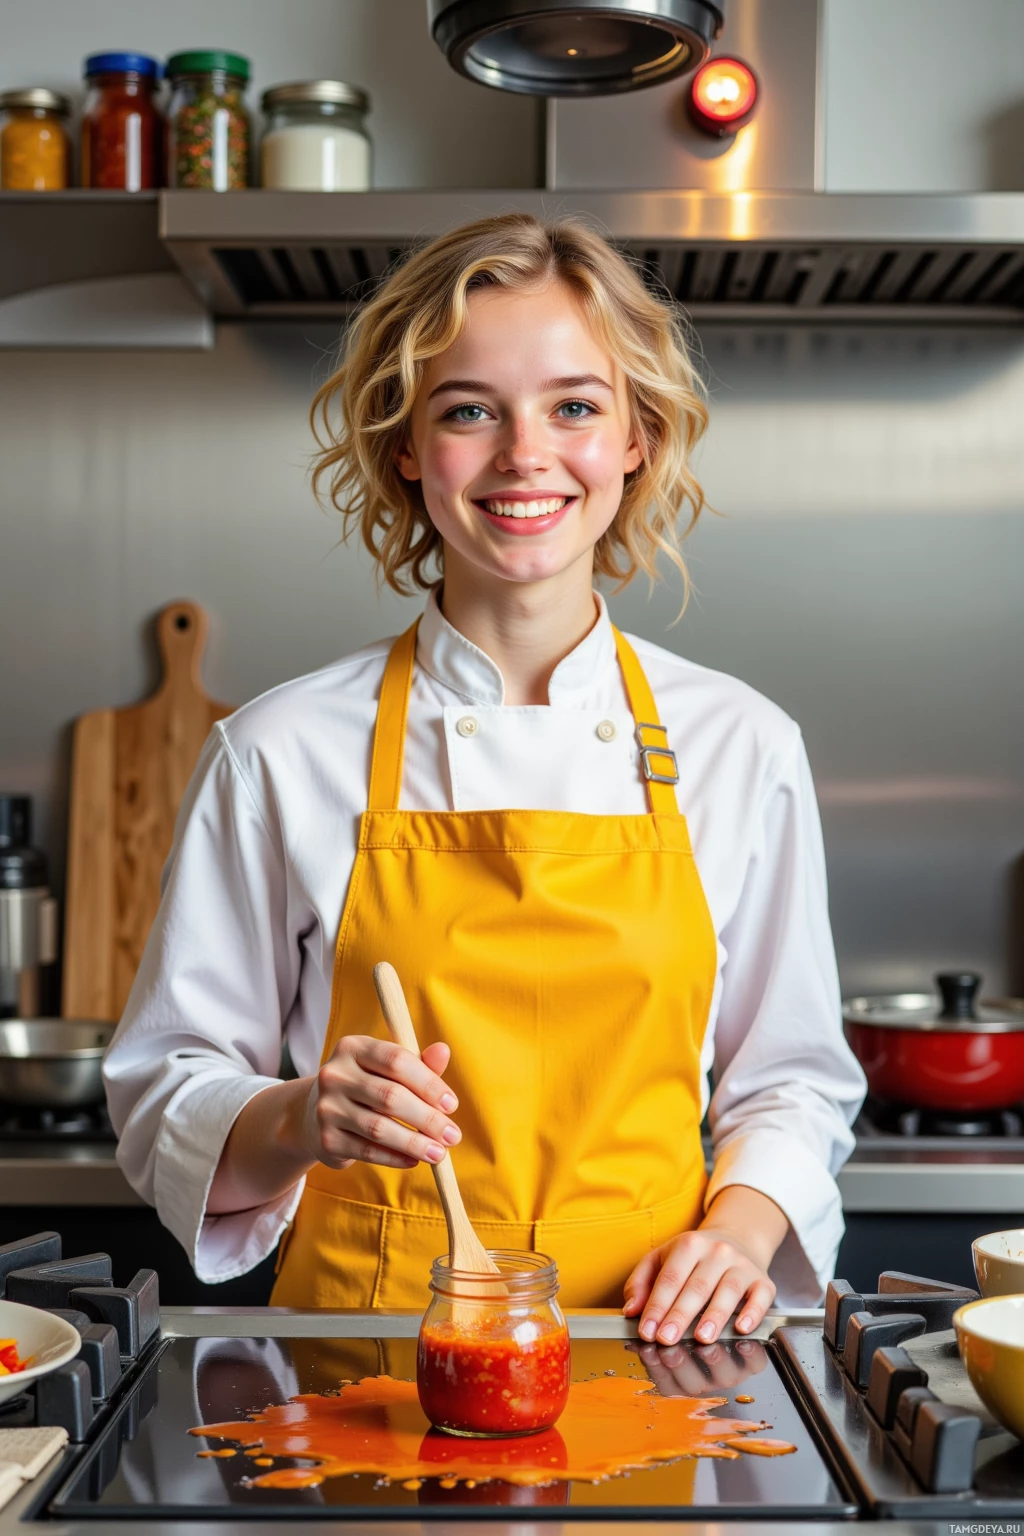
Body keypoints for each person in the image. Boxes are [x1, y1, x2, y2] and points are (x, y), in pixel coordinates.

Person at [104, 214, 865, 1346]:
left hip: (656, 1348)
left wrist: (742, 1233)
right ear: (407, 447)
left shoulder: (739, 744)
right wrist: (301, 1115)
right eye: (469, 408)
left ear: (637, 438)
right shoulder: (280, 747)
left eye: (574, 405)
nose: (524, 453)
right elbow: (167, 1084)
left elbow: (791, 1078)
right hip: (363, 1354)